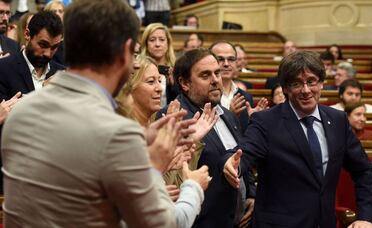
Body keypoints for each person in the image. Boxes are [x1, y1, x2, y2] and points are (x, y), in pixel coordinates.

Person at [1, 0, 179, 226]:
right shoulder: (117, 133)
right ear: (125, 52)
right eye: (134, 53)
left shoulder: (20, 112)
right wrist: (158, 170)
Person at [224, 50, 372, 228]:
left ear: (321, 83)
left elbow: (363, 170)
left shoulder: (338, 120)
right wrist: (231, 162)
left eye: (311, 81)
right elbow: (244, 152)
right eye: (297, 83)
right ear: (286, 88)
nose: (306, 90)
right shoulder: (266, 121)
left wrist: (366, 216)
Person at [158, 48, 255, 228]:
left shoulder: (229, 114)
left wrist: (250, 193)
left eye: (217, 73)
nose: (215, 80)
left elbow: (240, 156)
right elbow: (170, 177)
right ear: (185, 83)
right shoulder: (173, 117)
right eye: (205, 75)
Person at [116, 55, 214, 228]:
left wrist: (191, 142)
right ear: (129, 89)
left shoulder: (156, 125)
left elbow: (176, 184)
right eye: (150, 82)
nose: (159, 89)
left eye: (159, 81)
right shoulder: (124, 133)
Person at [0, 11, 65, 101]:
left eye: (54, 47)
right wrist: (44, 93)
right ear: (27, 34)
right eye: (43, 45)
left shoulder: (62, 74)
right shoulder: (3, 69)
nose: (48, 53)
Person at [209, 40, 267, 134]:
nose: (226, 64)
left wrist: (255, 121)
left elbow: (246, 135)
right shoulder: (203, 94)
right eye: (220, 59)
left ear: (236, 63)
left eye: (231, 59)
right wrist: (230, 115)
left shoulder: (246, 97)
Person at [141, 22, 177, 106]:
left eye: (162, 40)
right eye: (152, 40)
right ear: (146, 44)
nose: (157, 44)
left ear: (168, 43)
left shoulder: (176, 69)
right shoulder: (138, 69)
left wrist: (174, 86)